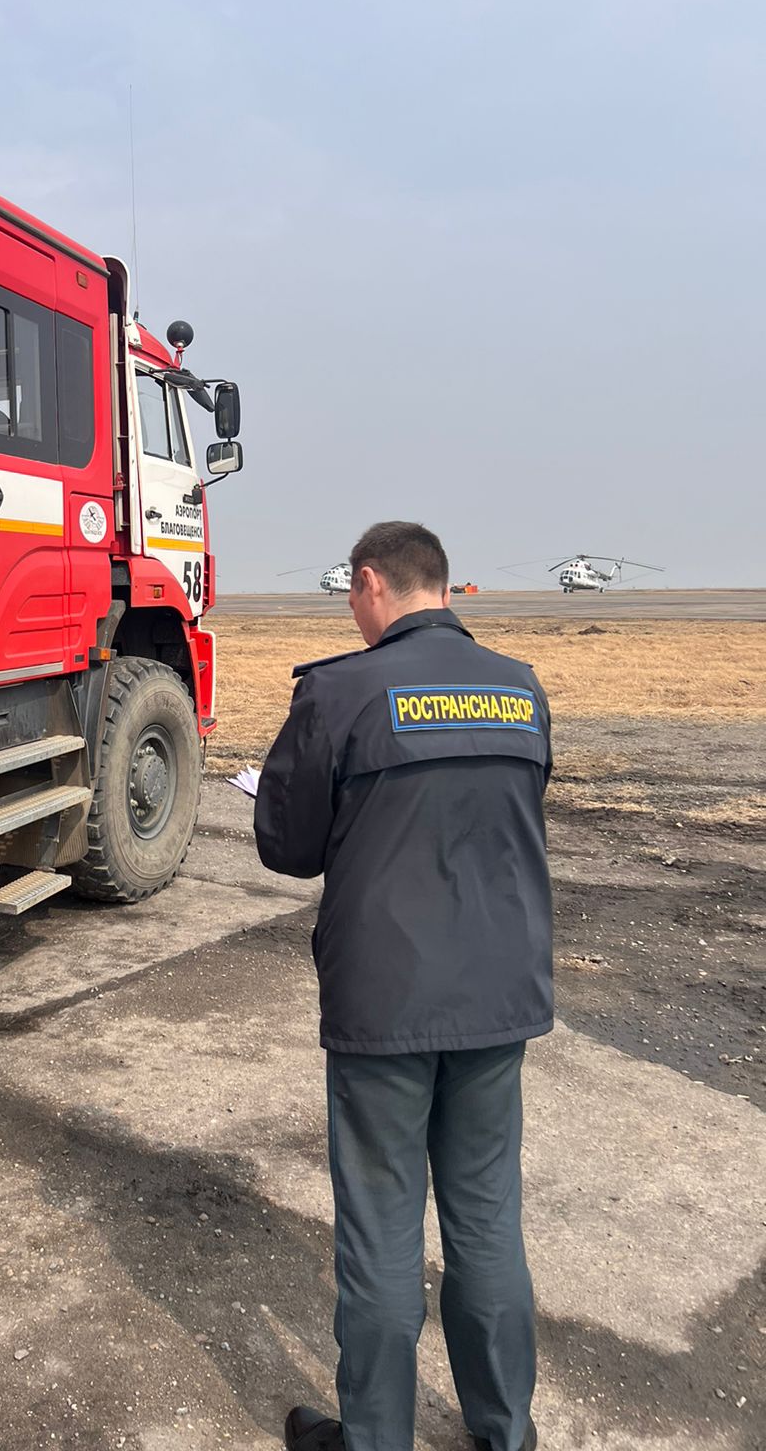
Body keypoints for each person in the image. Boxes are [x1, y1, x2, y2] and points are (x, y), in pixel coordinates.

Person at [254, 521, 552, 1451]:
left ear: (374, 582)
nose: (351, 611)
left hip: (385, 1001)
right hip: (499, 995)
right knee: (487, 1223)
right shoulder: (521, 688)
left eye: (351, 594)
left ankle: (376, 1439)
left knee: (381, 1232)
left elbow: (287, 847)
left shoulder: (340, 691)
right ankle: (505, 1434)